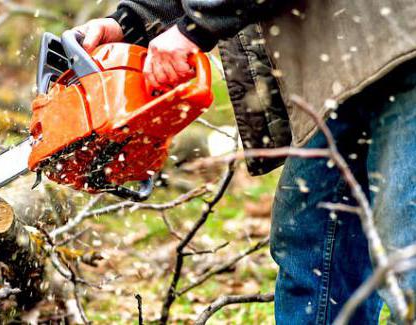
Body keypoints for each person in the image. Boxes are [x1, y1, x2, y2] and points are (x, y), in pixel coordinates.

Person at [73, 1, 416, 323]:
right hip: (337, 64)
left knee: (408, 250)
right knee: (311, 247)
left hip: (402, 44)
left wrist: (197, 25)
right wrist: (134, 20)